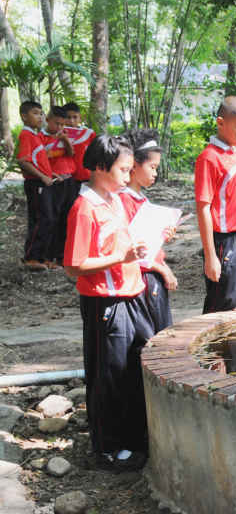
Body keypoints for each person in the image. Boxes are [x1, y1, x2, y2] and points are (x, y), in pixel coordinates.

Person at [63, 134, 151, 470]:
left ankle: (133, 438)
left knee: (131, 369)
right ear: (101, 168)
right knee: (108, 375)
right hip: (105, 303)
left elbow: (123, 244)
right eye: (124, 170)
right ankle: (108, 448)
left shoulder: (113, 200)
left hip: (130, 295)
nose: (129, 177)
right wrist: (119, 257)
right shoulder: (84, 208)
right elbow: (74, 266)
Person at [195, 95, 236, 313]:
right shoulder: (209, 158)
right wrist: (210, 256)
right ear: (221, 123)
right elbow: (203, 208)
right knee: (223, 302)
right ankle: (214, 348)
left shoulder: (235, 151)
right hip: (225, 241)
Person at [120, 129, 177, 332]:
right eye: (152, 167)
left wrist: (162, 236)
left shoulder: (140, 199)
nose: (155, 173)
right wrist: (161, 267)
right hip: (143, 278)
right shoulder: (123, 201)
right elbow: (131, 249)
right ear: (134, 165)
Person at [16, 101, 55, 271]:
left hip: (42, 182)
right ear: (24, 116)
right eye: (35, 113)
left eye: (41, 113)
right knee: (41, 219)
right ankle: (31, 258)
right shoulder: (26, 135)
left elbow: (39, 161)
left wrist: (51, 174)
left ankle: (41, 257)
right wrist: (42, 177)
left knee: (47, 219)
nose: (40, 117)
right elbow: (23, 161)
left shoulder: (35, 136)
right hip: (35, 184)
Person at [41, 106, 76, 267]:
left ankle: (62, 255)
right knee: (50, 218)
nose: (60, 127)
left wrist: (65, 140)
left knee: (66, 218)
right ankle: (47, 256)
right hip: (52, 182)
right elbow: (42, 158)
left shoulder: (65, 135)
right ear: (48, 120)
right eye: (57, 124)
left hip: (68, 180)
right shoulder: (40, 137)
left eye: (63, 124)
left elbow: (71, 153)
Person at [63, 101, 96, 204]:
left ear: (80, 118)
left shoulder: (89, 133)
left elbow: (95, 154)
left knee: (84, 204)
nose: (71, 121)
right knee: (68, 205)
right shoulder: (58, 134)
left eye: (75, 117)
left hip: (85, 176)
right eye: (68, 117)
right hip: (66, 178)